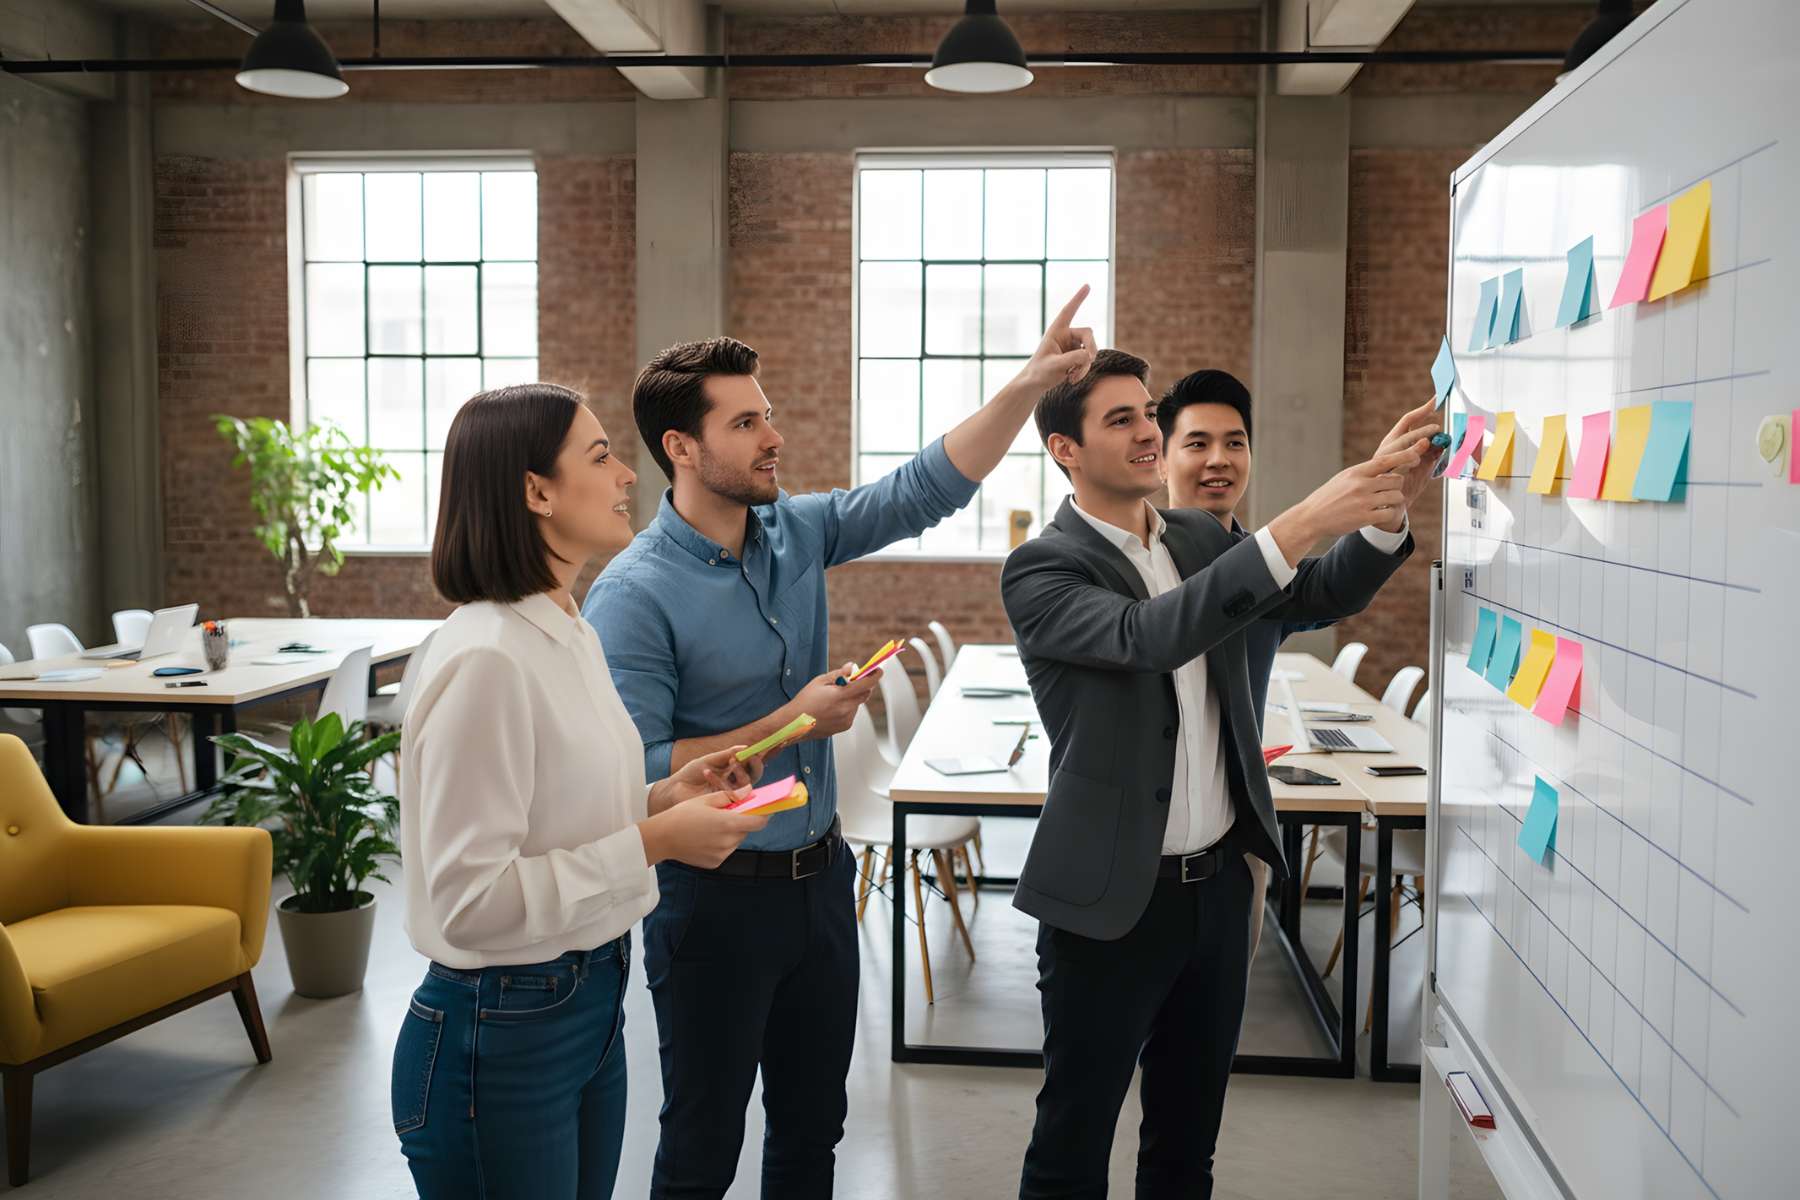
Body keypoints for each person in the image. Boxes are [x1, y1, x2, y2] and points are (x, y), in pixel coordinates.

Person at [584, 291, 1098, 1199]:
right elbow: (640, 770)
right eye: (745, 423)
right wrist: (793, 722)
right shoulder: (633, 593)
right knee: (703, 1145)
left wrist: (1030, 382)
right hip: (710, 905)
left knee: (814, 1131)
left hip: (818, 886)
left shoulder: (794, 530)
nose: (772, 435)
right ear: (681, 447)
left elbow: (925, 488)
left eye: (768, 414)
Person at [1000, 350, 1437, 1198]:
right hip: (1108, 905)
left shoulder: (1201, 538)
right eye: (1118, 420)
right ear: (1063, 449)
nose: (1146, 434)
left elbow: (1317, 593)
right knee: (1072, 1148)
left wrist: (1386, 509)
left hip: (1217, 893)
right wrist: (1306, 515)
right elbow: (1149, 634)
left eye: (1145, 415)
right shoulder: (1044, 568)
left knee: (1186, 1143)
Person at [391, 383, 773, 1200]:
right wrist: (654, 843)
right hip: (501, 1024)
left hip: (589, 997)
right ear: (536, 491)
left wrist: (664, 799)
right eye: (599, 458)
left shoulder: (569, 628)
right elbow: (470, 901)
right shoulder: (487, 659)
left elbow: (552, 817)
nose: (626, 475)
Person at [1157, 369, 1434, 958]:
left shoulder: (1264, 568)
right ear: (1160, 461)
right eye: (1198, 443)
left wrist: (1386, 512)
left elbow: (1331, 588)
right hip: (1140, 851)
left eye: (1235, 443)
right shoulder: (1133, 565)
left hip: (1234, 847)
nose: (1219, 459)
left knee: (1212, 1039)